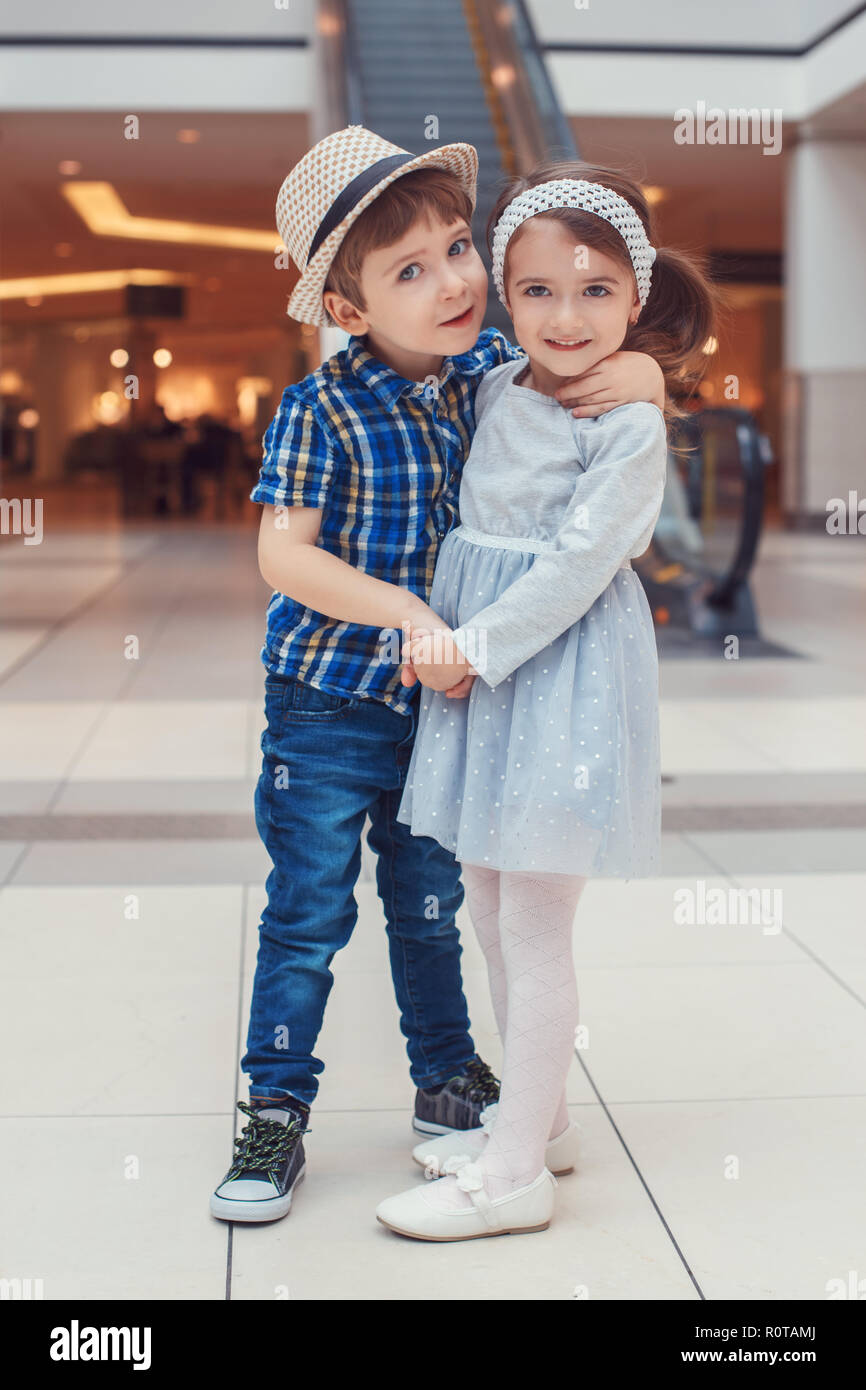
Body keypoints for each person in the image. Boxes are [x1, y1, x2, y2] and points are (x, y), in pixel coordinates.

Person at [209, 128, 666, 1224]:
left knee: (431, 905)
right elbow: (283, 552)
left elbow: (580, 379)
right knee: (308, 909)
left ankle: (454, 1084)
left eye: (458, 249)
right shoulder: (322, 407)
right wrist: (411, 611)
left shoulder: (484, 379)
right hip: (328, 699)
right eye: (409, 271)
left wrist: (643, 367)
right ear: (350, 308)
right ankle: (275, 1108)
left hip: (448, 703)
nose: (455, 282)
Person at [375, 160, 720, 1241]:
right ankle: (544, 1119)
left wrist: (473, 644)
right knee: (484, 898)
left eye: (594, 291)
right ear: (505, 293)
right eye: (535, 291)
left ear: (635, 295)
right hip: (486, 677)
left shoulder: (616, 421)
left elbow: (579, 565)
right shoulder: (492, 384)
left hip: (551, 668)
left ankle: (512, 1170)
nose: (564, 317)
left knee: (531, 920)